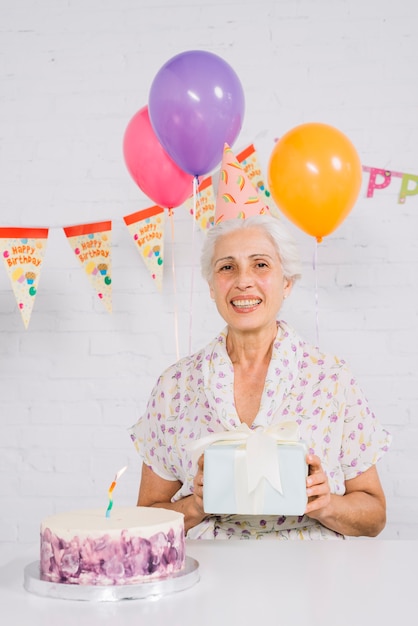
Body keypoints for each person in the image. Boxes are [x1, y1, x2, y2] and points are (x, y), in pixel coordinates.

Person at [130, 145, 391, 540]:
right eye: (227, 267)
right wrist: (194, 505)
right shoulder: (175, 387)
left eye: (261, 264)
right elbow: (144, 520)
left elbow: (374, 517)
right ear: (212, 286)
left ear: (286, 283)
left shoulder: (331, 379)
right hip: (209, 578)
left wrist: (327, 502)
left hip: (312, 579)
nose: (243, 281)